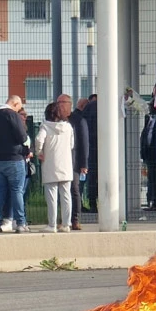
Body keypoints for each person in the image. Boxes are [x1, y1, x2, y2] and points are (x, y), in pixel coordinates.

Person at [0, 95, 30, 234]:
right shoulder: (12, 114)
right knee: (17, 190)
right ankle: (21, 223)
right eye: (19, 107)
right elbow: (22, 137)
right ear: (15, 103)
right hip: (14, 158)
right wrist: (25, 149)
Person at [34, 101, 75, 233]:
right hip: (66, 165)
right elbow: (71, 145)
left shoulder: (45, 127)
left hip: (50, 165)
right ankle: (66, 224)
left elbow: (39, 140)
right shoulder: (68, 127)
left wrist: (39, 152)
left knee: (51, 196)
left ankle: (52, 225)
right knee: (66, 195)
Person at [60, 94, 88, 230]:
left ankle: (75, 219)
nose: (59, 105)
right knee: (61, 190)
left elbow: (84, 143)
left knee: (74, 189)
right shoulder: (56, 119)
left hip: (74, 162)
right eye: (58, 102)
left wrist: (84, 164)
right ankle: (63, 219)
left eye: (62, 102)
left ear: (69, 104)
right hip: (59, 160)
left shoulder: (78, 120)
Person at [83, 94, 98, 212]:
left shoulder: (89, 107)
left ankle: (93, 203)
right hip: (100, 145)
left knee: (92, 177)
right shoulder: (98, 107)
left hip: (91, 147)